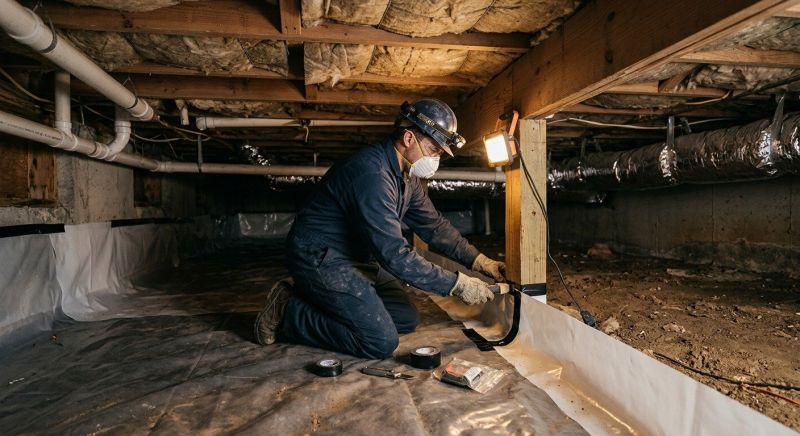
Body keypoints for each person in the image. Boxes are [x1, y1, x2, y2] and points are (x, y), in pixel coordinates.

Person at [254, 99, 506, 359]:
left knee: (405, 318)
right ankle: (288, 310)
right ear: (409, 138)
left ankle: (326, 301)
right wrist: (456, 284)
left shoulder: (405, 176)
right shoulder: (372, 174)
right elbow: (394, 255)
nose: (435, 158)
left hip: (355, 258)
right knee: (379, 341)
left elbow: (433, 225)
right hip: (319, 257)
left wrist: (480, 261)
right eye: (433, 149)